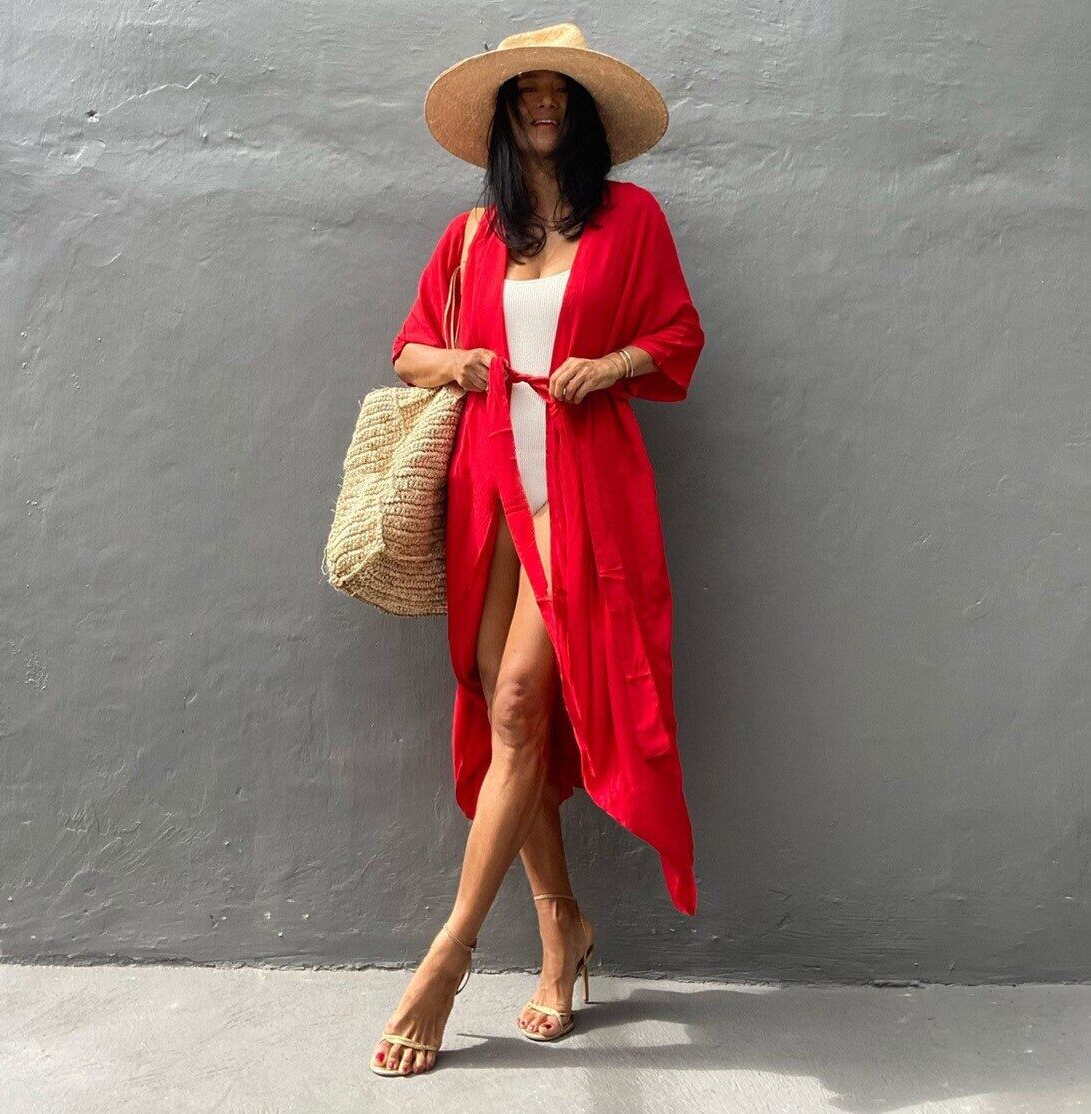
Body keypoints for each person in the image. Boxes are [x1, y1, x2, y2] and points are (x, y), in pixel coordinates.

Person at [373, 22, 706, 1077]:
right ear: (508, 114)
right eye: (529, 91)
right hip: (487, 493)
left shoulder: (632, 219)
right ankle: (562, 926)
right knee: (499, 705)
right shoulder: (473, 236)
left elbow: (679, 335)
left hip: (583, 491)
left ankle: (448, 957)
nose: (546, 104)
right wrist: (460, 363)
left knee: (519, 700)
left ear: (584, 111)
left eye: (562, 91)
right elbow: (409, 348)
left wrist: (610, 366)